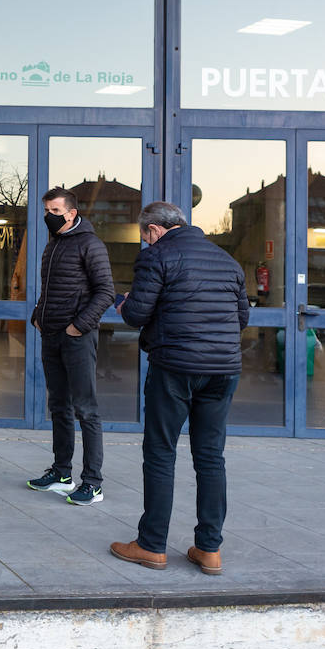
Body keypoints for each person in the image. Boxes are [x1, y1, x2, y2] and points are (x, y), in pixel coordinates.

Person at [111, 201, 248, 575]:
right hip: (223, 370)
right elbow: (242, 318)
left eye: (145, 237)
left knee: (160, 453)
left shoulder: (157, 257)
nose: (146, 243)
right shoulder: (227, 260)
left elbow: (137, 315)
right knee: (210, 457)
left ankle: (151, 545)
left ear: (153, 230)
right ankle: (209, 549)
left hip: (175, 367)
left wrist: (124, 305)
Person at [25, 187, 116, 506]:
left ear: (71, 213)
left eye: (54, 210)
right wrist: (38, 315)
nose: (48, 216)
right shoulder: (53, 245)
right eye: (46, 210)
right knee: (58, 406)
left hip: (77, 337)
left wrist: (78, 326)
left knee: (86, 409)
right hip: (50, 335)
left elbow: (106, 292)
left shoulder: (90, 244)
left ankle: (93, 482)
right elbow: (49, 289)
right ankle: (62, 473)